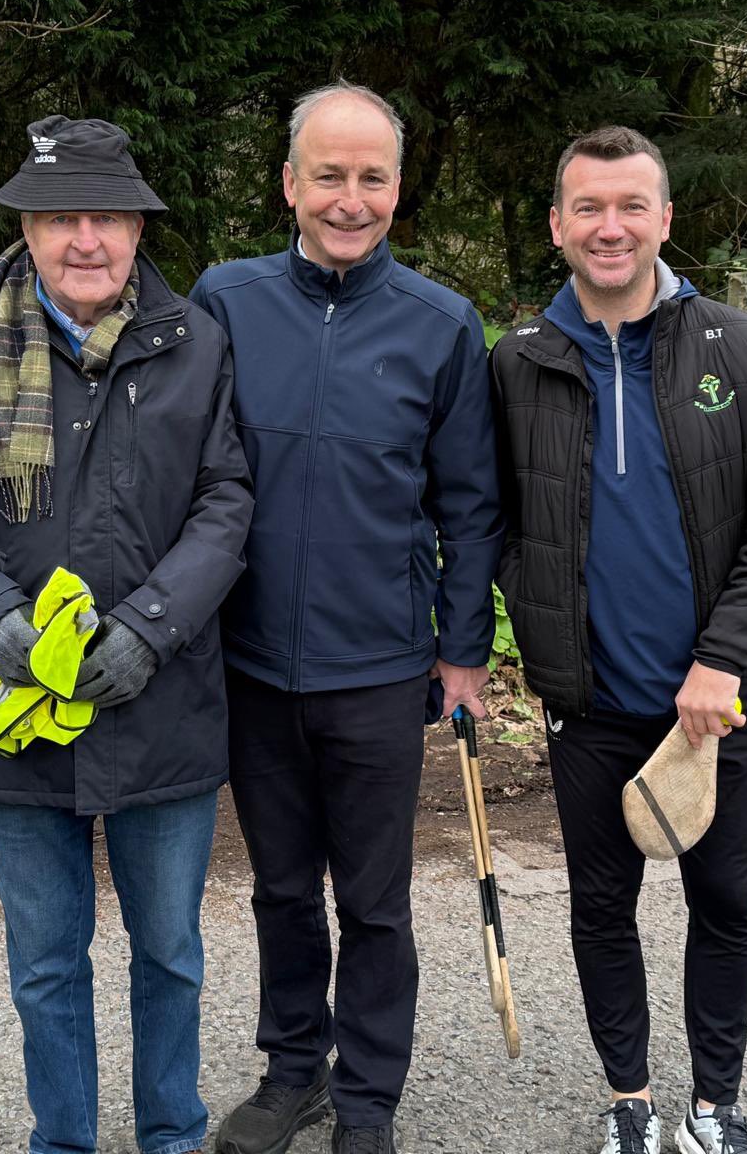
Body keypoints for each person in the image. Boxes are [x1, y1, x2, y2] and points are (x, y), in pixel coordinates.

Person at [0, 115, 253, 1154]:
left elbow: (226, 503)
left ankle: (171, 1133)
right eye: (61, 218)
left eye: (108, 218)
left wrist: (150, 626)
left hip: (161, 701)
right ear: (28, 229)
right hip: (16, 709)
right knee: (46, 959)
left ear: (137, 228)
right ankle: (65, 1141)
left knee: (169, 950)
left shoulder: (194, 341)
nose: (87, 239)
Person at [490, 127, 747, 1154]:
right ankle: (627, 1101)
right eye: (587, 207)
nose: (610, 226)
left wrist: (721, 659)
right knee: (602, 906)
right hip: (587, 703)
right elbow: (489, 517)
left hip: (714, 704)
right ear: (557, 225)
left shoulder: (733, 347)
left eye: (631, 205)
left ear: (664, 219)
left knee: (722, 900)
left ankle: (713, 1102)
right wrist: (539, 617)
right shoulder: (517, 364)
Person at [188, 82, 501, 1154]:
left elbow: (470, 505)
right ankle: (294, 1071)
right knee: (281, 886)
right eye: (329, 175)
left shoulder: (440, 324)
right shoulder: (223, 302)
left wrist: (463, 650)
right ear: (289, 183)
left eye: (371, 178)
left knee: (372, 902)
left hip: (378, 666)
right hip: (248, 659)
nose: (349, 198)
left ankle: (367, 1100)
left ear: (397, 191)